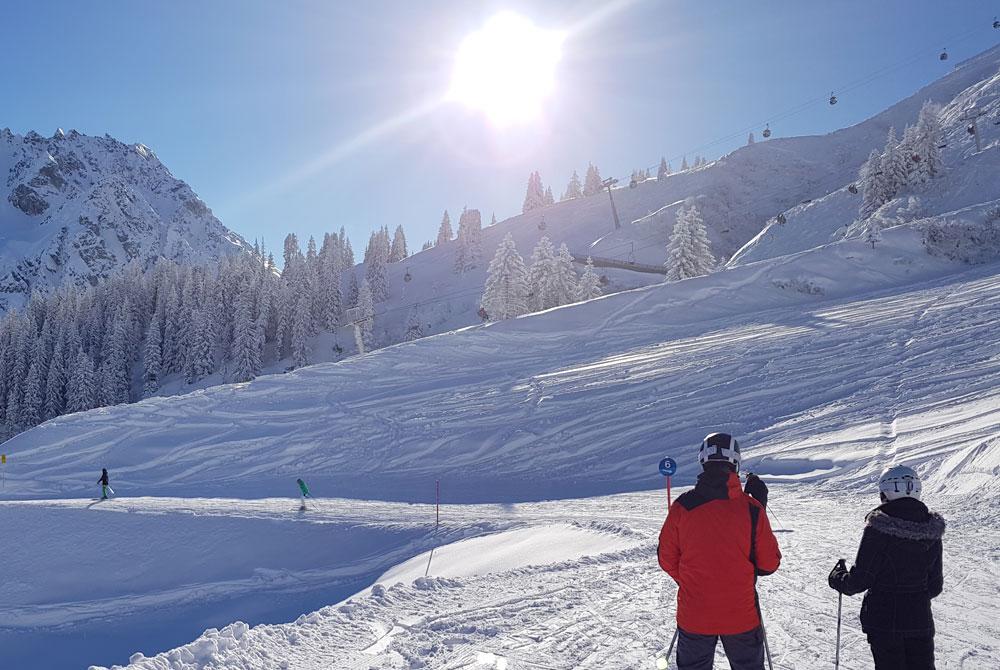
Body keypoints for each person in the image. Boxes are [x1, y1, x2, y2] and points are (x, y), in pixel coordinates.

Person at [657, 433, 781, 670]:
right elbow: (769, 563)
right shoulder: (751, 509)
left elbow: (666, 557)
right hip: (740, 615)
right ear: (735, 463)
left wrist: (693, 581)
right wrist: (760, 510)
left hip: (695, 614)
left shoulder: (683, 506)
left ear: (703, 461)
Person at [828, 465, 945, 670]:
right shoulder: (931, 529)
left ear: (886, 492)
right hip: (919, 620)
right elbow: (934, 586)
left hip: (884, 621)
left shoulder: (878, 528)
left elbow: (859, 581)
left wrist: (838, 577)